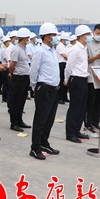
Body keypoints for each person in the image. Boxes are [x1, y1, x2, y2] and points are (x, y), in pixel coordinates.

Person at [29, 23, 61, 160]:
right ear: (47, 36)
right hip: (44, 88)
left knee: (49, 119)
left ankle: (44, 142)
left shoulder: (53, 50)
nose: (56, 37)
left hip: (54, 89)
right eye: (54, 35)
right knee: (41, 120)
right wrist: (34, 87)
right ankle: (35, 147)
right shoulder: (40, 52)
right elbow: (34, 71)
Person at [64, 25, 92, 143]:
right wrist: (66, 80)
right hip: (76, 79)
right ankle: (70, 133)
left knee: (82, 108)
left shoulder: (84, 48)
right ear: (81, 36)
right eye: (87, 34)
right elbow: (69, 66)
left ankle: (77, 130)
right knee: (75, 108)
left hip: (83, 79)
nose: (90, 36)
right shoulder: (75, 49)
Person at [83, 24, 100, 137]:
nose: (99, 36)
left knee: (99, 103)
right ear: (93, 32)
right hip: (90, 77)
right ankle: (87, 126)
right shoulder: (87, 44)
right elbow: (84, 60)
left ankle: (95, 124)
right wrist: (96, 57)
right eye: (97, 33)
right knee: (90, 103)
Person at [8, 28, 32, 132]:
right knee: (16, 101)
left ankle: (19, 120)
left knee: (22, 100)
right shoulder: (16, 49)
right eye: (28, 38)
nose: (28, 39)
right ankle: (14, 123)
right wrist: (12, 74)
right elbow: (12, 64)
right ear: (25, 38)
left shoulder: (24, 48)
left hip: (25, 78)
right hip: (18, 78)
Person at [56, 33, 69, 104]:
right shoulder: (59, 46)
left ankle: (64, 97)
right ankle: (60, 97)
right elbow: (65, 56)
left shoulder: (65, 46)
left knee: (65, 81)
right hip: (61, 64)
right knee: (61, 81)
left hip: (66, 64)